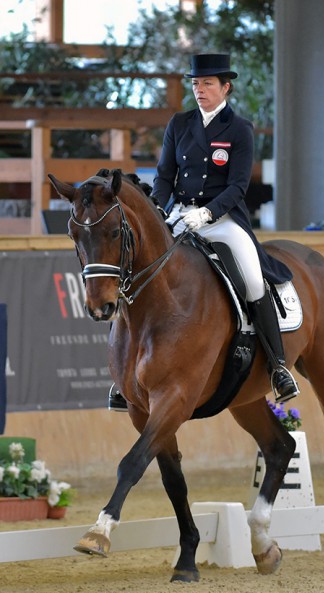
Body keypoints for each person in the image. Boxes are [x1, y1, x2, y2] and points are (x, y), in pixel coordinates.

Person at [109, 53, 298, 411]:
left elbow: (238, 186)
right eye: (196, 84)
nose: (200, 90)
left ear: (225, 87)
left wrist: (207, 213)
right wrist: (161, 211)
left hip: (223, 219)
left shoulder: (239, 129)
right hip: (178, 214)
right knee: (133, 270)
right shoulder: (179, 124)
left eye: (207, 83)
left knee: (254, 280)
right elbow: (164, 176)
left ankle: (277, 367)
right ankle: (122, 378)